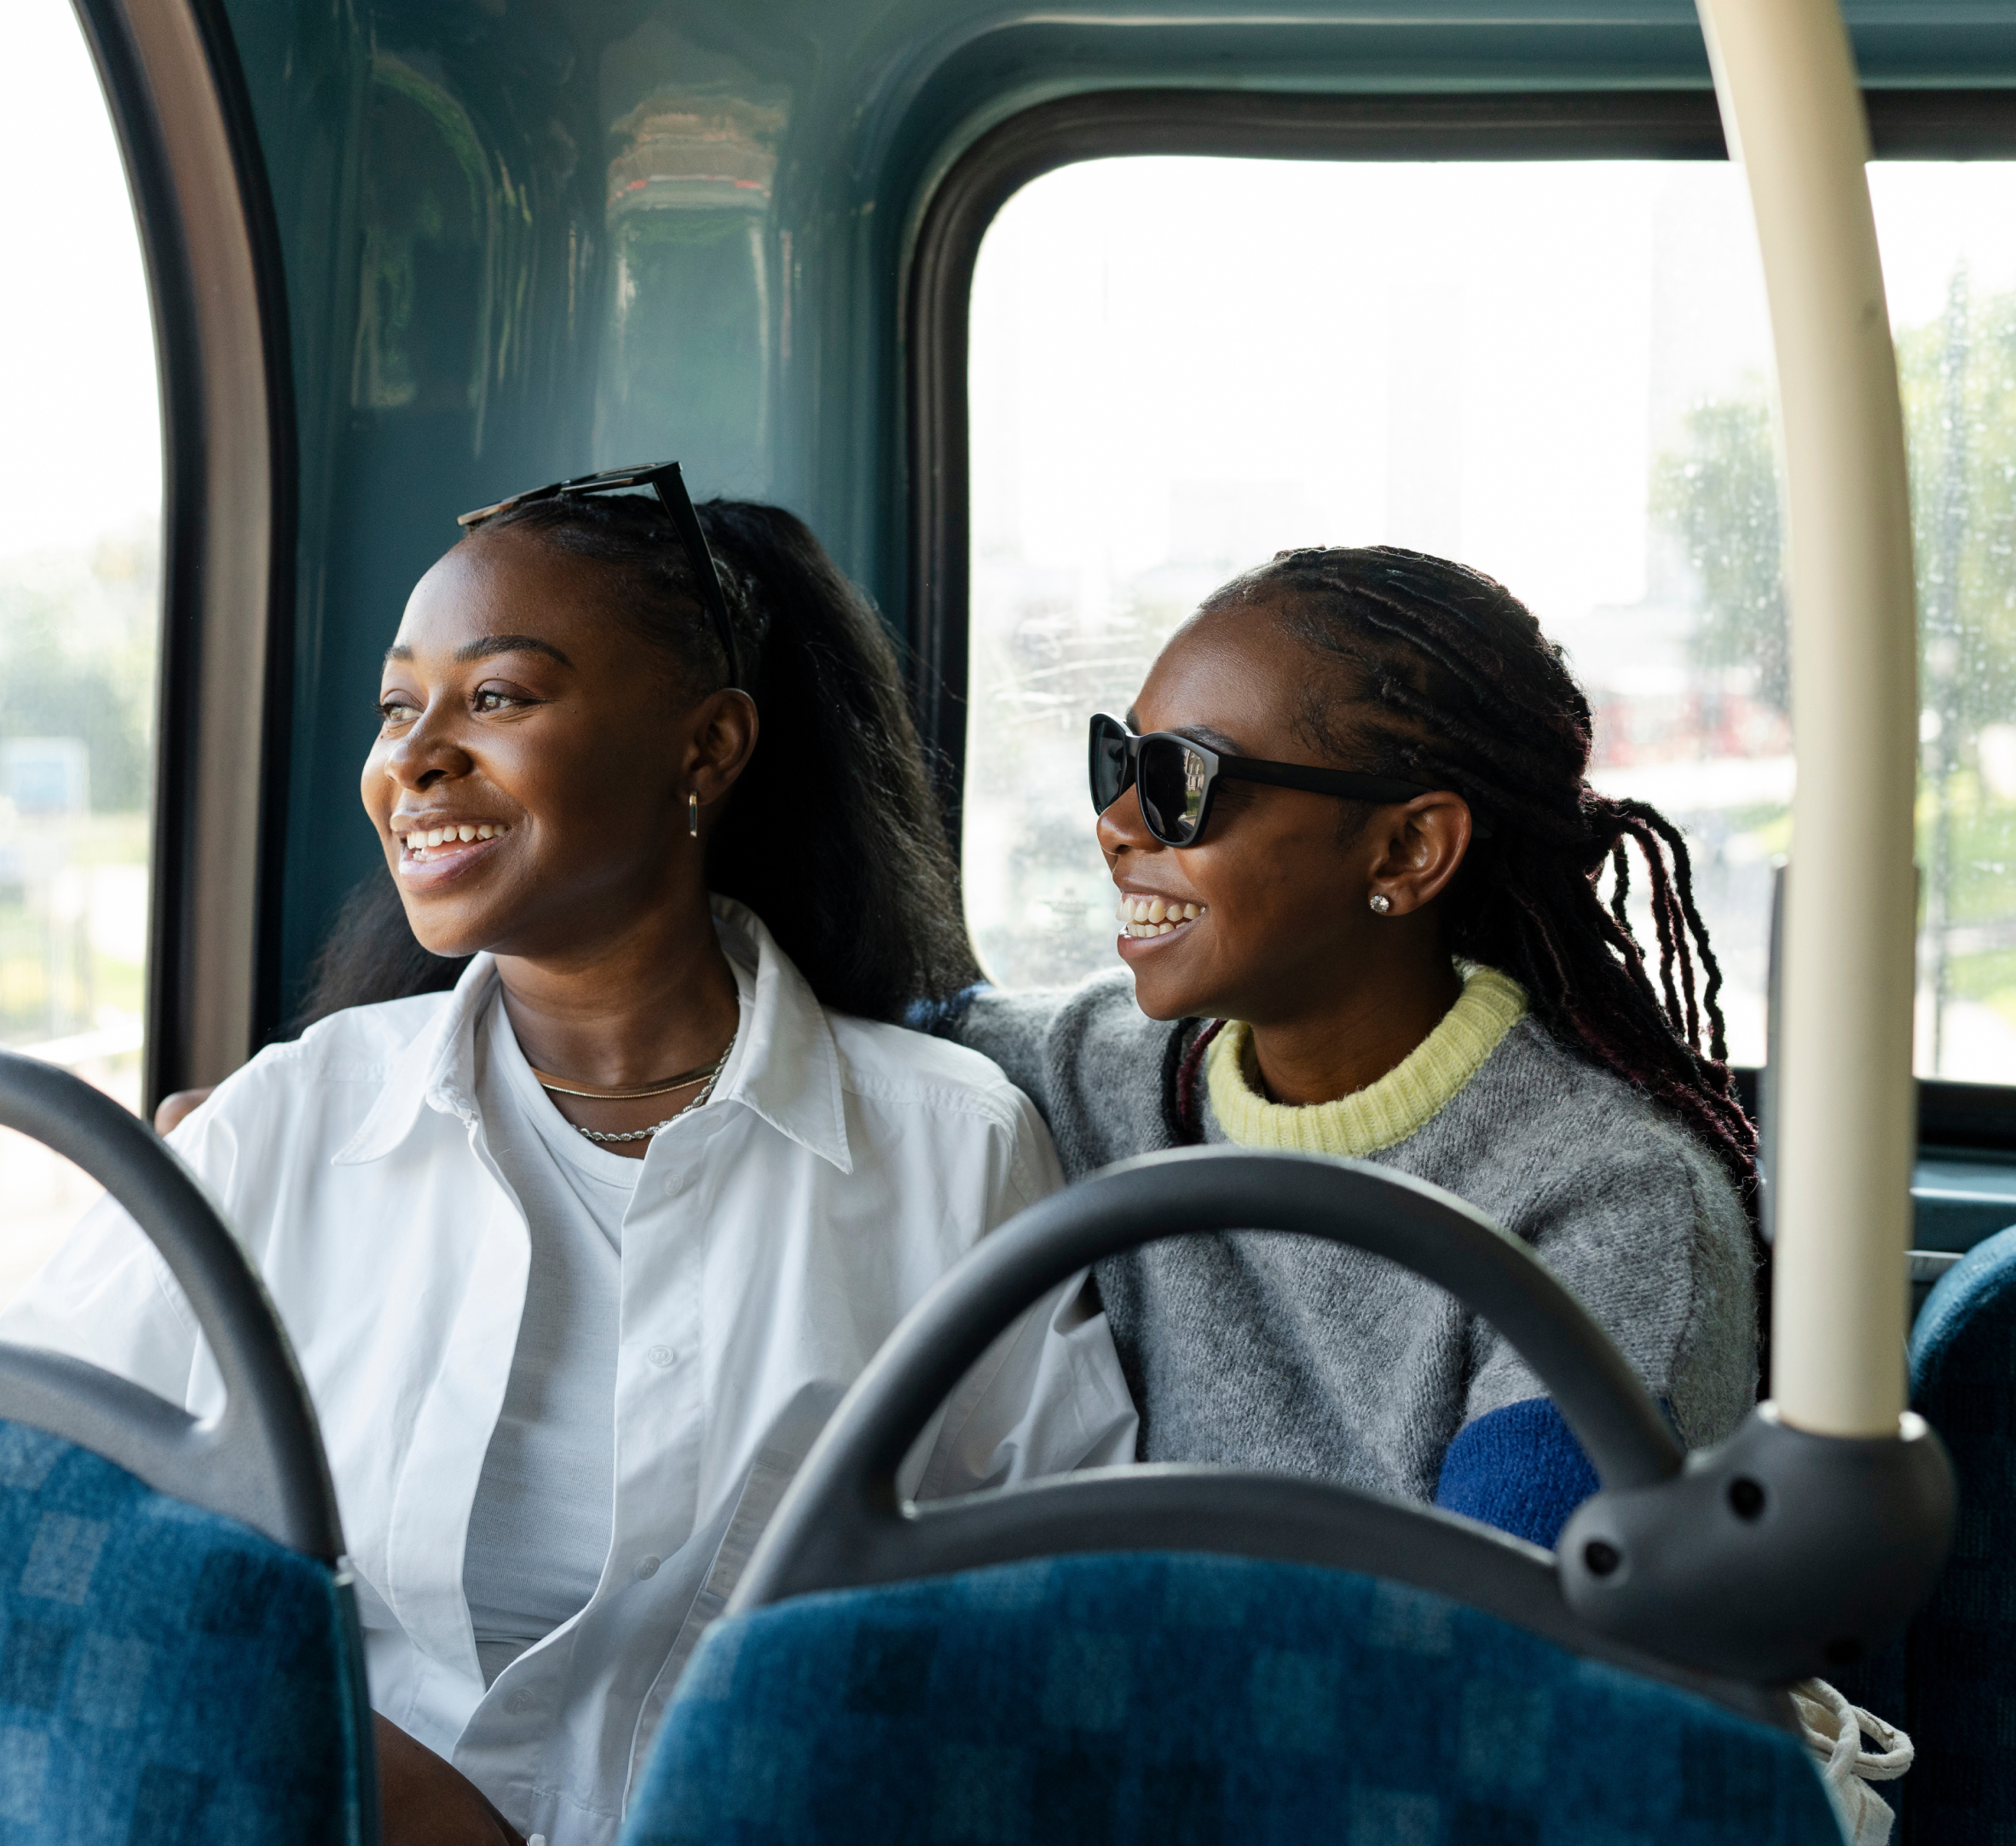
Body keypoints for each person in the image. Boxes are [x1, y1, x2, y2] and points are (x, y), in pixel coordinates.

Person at [3, 475, 1135, 1846]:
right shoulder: (290, 1122)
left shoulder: (949, 1148)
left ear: (706, 749)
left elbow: (1065, 1639)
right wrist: (332, 1750)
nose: (413, 758)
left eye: (496, 698)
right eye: (394, 706)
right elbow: (41, 1521)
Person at [931, 544, 1759, 1549]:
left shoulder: (1613, 1201)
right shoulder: (1084, 1068)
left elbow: (1507, 1654)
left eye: (1178, 780)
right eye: (1120, 760)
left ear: (1406, 850)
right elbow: (826, 998)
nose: (1112, 825)